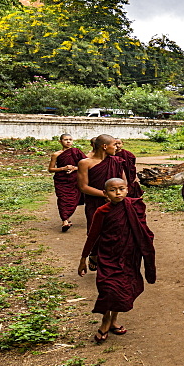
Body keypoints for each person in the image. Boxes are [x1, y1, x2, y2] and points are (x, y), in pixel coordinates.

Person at [77, 177, 156, 343]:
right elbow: (93, 236)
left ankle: (113, 320)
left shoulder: (135, 206)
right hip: (108, 255)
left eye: (121, 189)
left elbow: (142, 230)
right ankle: (105, 321)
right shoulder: (102, 212)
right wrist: (84, 258)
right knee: (108, 288)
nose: (118, 193)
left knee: (122, 288)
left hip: (129, 255)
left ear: (127, 189)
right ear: (105, 193)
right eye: (113, 190)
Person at [77, 134, 127, 227]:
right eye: (114, 145)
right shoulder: (85, 163)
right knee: (96, 231)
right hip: (94, 202)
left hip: (115, 201)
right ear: (105, 146)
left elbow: (124, 182)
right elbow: (83, 187)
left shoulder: (116, 161)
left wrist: (116, 195)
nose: (117, 147)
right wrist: (106, 194)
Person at [48, 134, 86, 232]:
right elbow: (51, 169)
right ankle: (64, 220)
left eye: (70, 140)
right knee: (63, 198)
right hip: (61, 180)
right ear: (60, 142)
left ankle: (67, 218)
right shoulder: (56, 154)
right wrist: (63, 168)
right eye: (65, 140)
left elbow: (85, 165)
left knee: (72, 199)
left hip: (74, 180)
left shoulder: (76, 152)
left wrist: (74, 168)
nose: (68, 142)